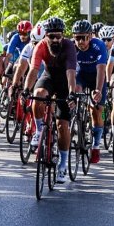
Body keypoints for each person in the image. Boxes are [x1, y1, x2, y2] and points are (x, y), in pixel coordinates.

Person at [23, 16, 77, 182]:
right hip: (49, 77)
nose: (55, 39)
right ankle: (39, 130)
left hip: (65, 81)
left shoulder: (69, 46)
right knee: (38, 94)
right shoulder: (40, 46)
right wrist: (26, 90)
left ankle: (62, 164)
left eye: (58, 36)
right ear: (45, 36)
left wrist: (71, 93)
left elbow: (70, 73)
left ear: (63, 35)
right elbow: (33, 70)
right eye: (51, 36)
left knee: (62, 125)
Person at [71, 19, 108, 164]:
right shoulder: (72, 47)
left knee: (96, 110)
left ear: (90, 36)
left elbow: (101, 70)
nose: (80, 41)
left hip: (96, 77)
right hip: (81, 75)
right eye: (77, 37)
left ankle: (96, 146)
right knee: (75, 90)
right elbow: (70, 70)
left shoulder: (99, 46)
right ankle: (76, 118)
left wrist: (98, 90)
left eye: (83, 37)